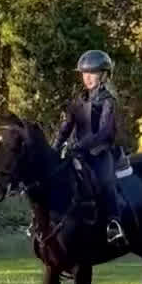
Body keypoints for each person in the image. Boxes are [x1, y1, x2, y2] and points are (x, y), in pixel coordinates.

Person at [53, 51, 126, 243]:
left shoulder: (108, 101)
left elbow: (104, 132)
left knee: (106, 182)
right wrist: (55, 147)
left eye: (92, 73)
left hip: (100, 153)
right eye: (84, 73)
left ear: (103, 75)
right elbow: (66, 127)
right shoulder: (79, 100)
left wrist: (80, 145)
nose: (87, 78)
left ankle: (114, 224)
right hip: (78, 153)